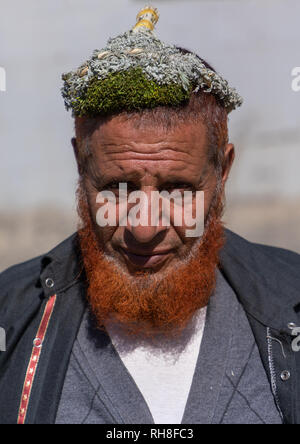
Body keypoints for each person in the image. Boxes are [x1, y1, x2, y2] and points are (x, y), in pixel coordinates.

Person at [1, 6, 300, 425]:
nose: (144, 228)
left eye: (177, 190)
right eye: (114, 190)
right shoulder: (10, 318)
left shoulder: (292, 298)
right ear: (80, 167)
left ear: (223, 170)